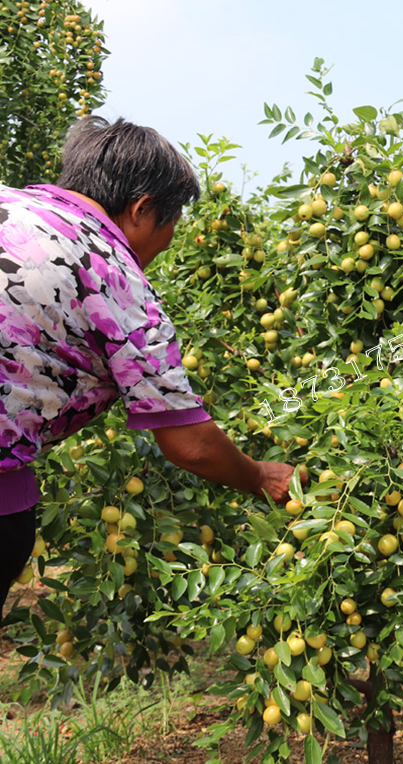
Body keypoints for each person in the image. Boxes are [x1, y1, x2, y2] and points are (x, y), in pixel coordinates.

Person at [0, 117, 296, 620]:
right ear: (142, 210)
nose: (170, 240)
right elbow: (192, 445)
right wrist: (261, 476)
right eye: (173, 223)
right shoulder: (116, 279)